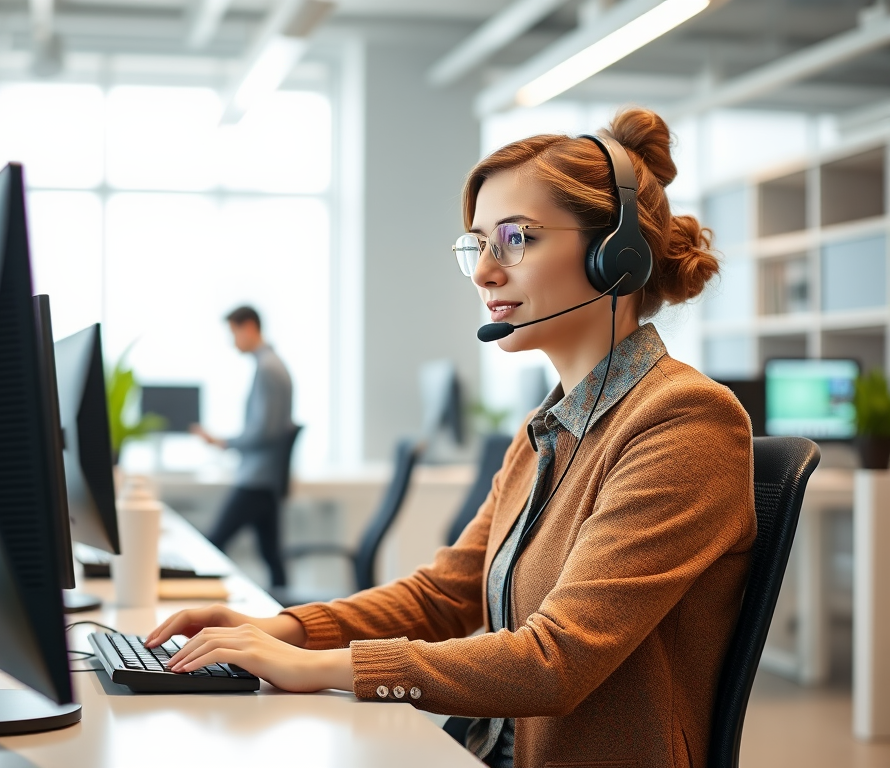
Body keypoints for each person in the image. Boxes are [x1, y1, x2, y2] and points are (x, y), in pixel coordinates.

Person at [150, 108, 756, 768]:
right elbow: (444, 595)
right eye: (477, 246)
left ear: (614, 254)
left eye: (516, 239)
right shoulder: (546, 432)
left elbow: (555, 663)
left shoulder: (683, 421)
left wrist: (322, 666)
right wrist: (284, 629)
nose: (484, 273)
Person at [190, 306, 294, 588]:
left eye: (234, 333)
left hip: (256, 478)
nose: (233, 341)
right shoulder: (271, 365)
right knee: (271, 556)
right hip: (264, 478)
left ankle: (202, 607)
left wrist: (223, 442)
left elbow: (264, 431)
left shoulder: (268, 368)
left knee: (213, 543)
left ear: (249, 327)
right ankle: (287, 622)